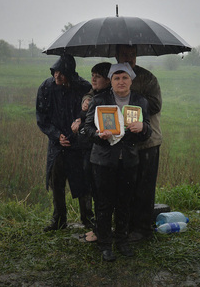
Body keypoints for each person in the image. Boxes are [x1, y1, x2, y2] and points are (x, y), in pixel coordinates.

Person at [84, 63, 152, 261]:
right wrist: (98, 135)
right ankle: (105, 244)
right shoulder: (99, 100)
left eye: (124, 78)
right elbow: (87, 130)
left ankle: (122, 241)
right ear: (111, 81)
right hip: (103, 161)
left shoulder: (140, 102)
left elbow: (146, 131)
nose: (121, 82)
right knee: (104, 204)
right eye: (116, 78)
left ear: (131, 80)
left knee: (124, 203)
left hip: (129, 161)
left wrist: (143, 128)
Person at [36, 53, 94, 231]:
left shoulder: (83, 87)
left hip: (79, 145)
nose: (57, 76)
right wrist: (57, 136)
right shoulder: (46, 88)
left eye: (61, 72)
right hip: (57, 146)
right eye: (55, 72)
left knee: (83, 183)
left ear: (69, 72)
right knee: (57, 183)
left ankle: (88, 219)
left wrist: (78, 128)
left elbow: (91, 114)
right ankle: (59, 220)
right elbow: (42, 118)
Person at [115, 44, 163, 242]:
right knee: (125, 187)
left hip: (147, 141)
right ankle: (125, 227)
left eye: (132, 54)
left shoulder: (147, 78)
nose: (129, 58)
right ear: (116, 56)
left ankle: (143, 230)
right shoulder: (113, 75)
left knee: (144, 187)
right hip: (121, 143)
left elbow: (155, 104)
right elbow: (97, 91)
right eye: (124, 54)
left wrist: (129, 94)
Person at [72, 62, 112, 242]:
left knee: (101, 192)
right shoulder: (94, 95)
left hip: (99, 150)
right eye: (92, 75)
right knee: (94, 189)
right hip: (89, 149)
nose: (93, 79)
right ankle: (98, 228)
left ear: (108, 79)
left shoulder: (107, 98)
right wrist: (79, 119)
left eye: (98, 76)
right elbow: (87, 116)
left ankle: (102, 231)